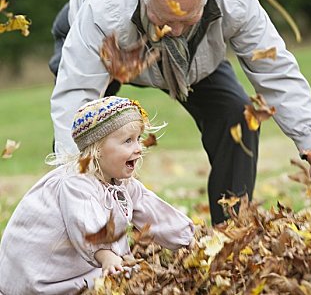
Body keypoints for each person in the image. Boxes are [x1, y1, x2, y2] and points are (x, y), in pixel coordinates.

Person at [49, 0, 311, 225]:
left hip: (194, 61)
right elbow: (76, 98)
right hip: (108, 52)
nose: (174, 31)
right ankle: (86, 234)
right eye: (165, 19)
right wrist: (73, 178)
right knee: (93, 138)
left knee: (237, 114)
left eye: (187, 20)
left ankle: (230, 233)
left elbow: (275, 69)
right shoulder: (106, 6)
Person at [0, 96, 194, 295]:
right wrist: (106, 255)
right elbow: (84, 224)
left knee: (128, 276)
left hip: (79, 267)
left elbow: (153, 212)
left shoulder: (121, 182)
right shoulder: (76, 183)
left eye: (138, 139)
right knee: (122, 279)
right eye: (128, 141)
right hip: (42, 278)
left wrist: (190, 238)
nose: (138, 148)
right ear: (97, 149)